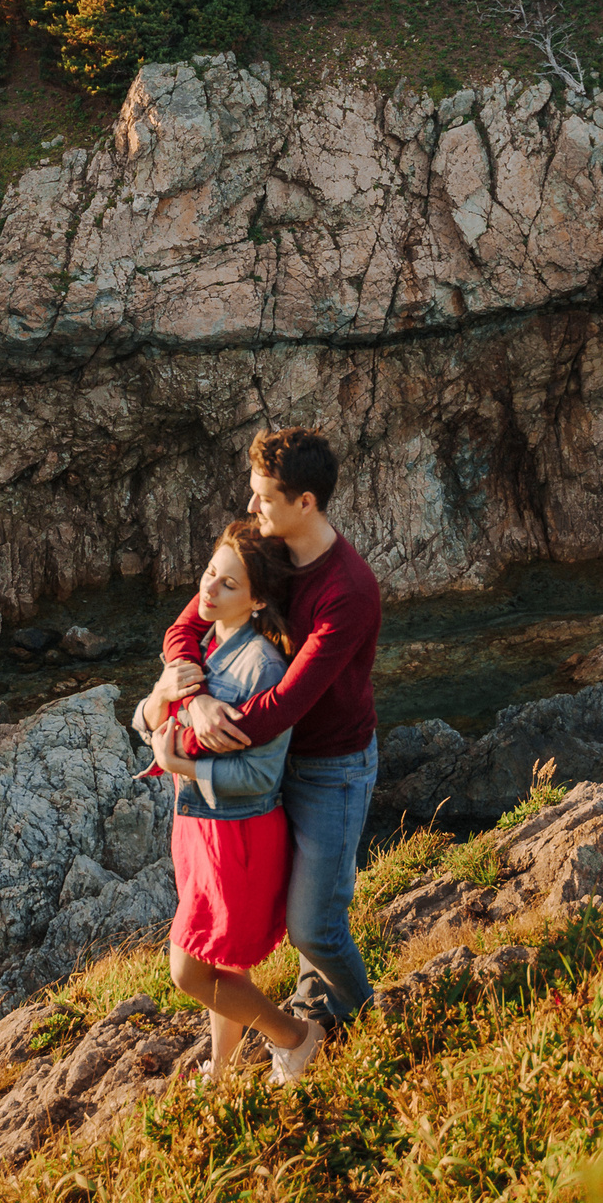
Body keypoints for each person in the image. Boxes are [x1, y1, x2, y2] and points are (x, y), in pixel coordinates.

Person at [158, 426, 382, 1030]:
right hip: (268, 765)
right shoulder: (268, 544)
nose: (251, 506)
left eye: (262, 495)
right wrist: (196, 693)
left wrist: (192, 742)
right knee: (277, 914)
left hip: (329, 766)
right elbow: (186, 626)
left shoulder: (349, 591)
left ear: (304, 502)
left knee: (314, 924)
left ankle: (366, 1027)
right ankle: (316, 1012)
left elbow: (283, 706)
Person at [133, 519, 328, 1083]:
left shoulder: (263, 668)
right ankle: (221, 1070)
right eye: (209, 574)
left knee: (189, 972)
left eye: (227, 585)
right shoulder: (201, 644)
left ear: (259, 598)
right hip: (198, 828)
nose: (208, 592)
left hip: (236, 837)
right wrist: (163, 695)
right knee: (222, 961)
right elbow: (145, 719)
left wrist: (181, 765)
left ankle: (295, 1037)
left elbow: (262, 774)